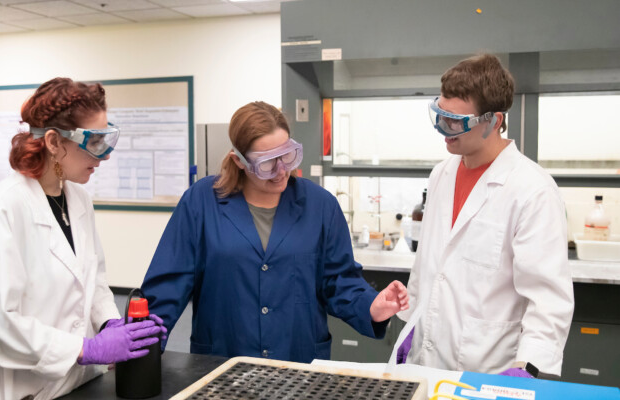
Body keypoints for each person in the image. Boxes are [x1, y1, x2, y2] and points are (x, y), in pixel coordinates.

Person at [141, 101, 408, 363]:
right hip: (223, 358)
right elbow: (168, 285)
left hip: (297, 359)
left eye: (288, 155)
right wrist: (139, 347)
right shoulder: (201, 201)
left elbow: (338, 280)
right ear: (240, 160)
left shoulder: (320, 205)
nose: (281, 171)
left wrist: (371, 306)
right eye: (267, 163)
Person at [0, 78, 166, 400]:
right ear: (54, 141)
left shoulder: (78, 199)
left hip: (76, 385)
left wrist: (113, 325)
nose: (105, 155)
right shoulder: (4, 206)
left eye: (107, 138)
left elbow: (93, 281)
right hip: (19, 393)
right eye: (95, 141)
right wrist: (86, 349)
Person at [395, 55, 574, 378]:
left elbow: (548, 298)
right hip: (425, 362)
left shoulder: (532, 189)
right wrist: (410, 326)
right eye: (439, 117)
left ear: (493, 121)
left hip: (488, 370)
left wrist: (528, 366)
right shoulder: (441, 174)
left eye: (455, 122)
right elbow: (428, 265)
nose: (443, 131)